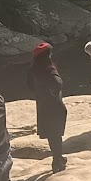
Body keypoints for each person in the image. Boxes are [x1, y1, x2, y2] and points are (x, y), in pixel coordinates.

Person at [27, 42, 67, 170]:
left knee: (51, 133)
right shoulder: (49, 68)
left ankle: (58, 157)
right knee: (56, 133)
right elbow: (58, 83)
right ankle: (57, 161)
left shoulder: (33, 69)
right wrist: (53, 92)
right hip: (54, 104)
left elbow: (30, 86)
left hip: (43, 105)